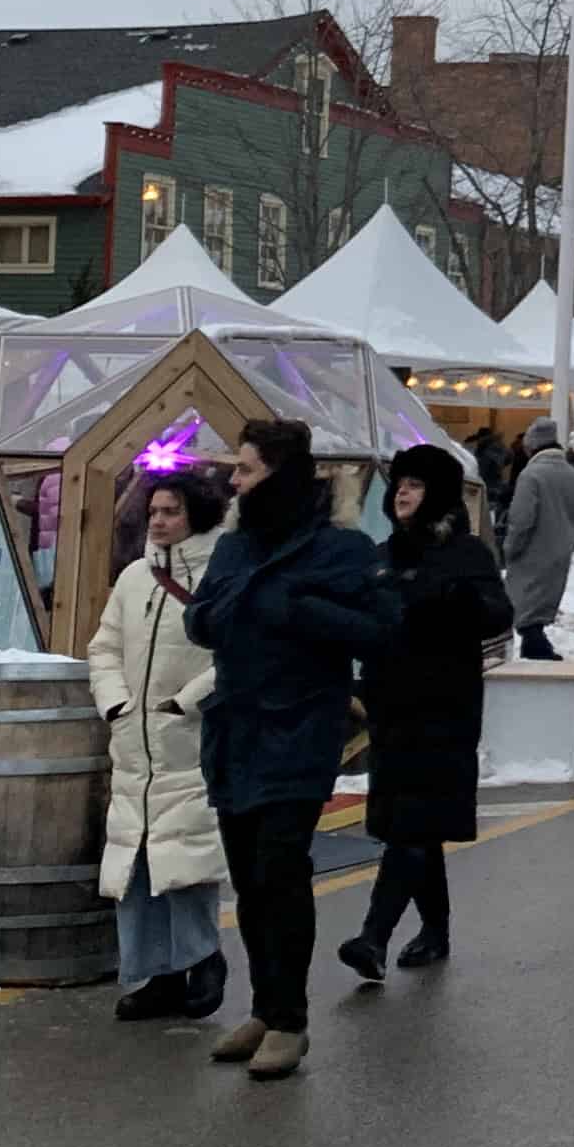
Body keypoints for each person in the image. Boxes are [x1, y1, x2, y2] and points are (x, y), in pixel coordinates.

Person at [184, 420, 397, 1083]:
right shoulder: (236, 546)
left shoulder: (342, 550)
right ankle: (264, 1005)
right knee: (248, 878)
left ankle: (291, 1021)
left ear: (280, 475)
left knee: (281, 869)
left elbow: (385, 628)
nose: (234, 481)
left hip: (300, 729)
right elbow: (201, 618)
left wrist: (307, 613)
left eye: (246, 470)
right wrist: (215, 614)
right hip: (236, 728)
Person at [340, 438, 511, 981]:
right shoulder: (384, 555)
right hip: (392, 709)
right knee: (411, 825)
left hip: (444, 709)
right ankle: (435, 929)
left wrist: (459, 602)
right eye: (400, 485)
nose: (402, 494)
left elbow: (497, 615)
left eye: (414, 485)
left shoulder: (466, 553)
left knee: (413, 823)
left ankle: (373, 937)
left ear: (436, 492)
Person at [89, 463, 230, 1023]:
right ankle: (158, 973)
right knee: (136, 864)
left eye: (172, 511)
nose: (160, 521)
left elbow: (232, 652)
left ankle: (203, 958)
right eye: (154, 512)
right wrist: (117, 704)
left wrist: (186, 703)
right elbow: (104, 647)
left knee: (185, 858)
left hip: (186, 739)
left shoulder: (220, 574)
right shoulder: (133, 578)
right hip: (135, 741)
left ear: (196, 513)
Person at [499, 418, 574, 662]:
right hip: (560, 552)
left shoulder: (531, 475)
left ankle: (538, 654)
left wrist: (509, 550)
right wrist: (568, 543)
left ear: (532, 446)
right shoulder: (573, 475)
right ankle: (536, 651)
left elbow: (521, 520)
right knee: (538, 612)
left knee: (526, 613)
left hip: (530, 554)